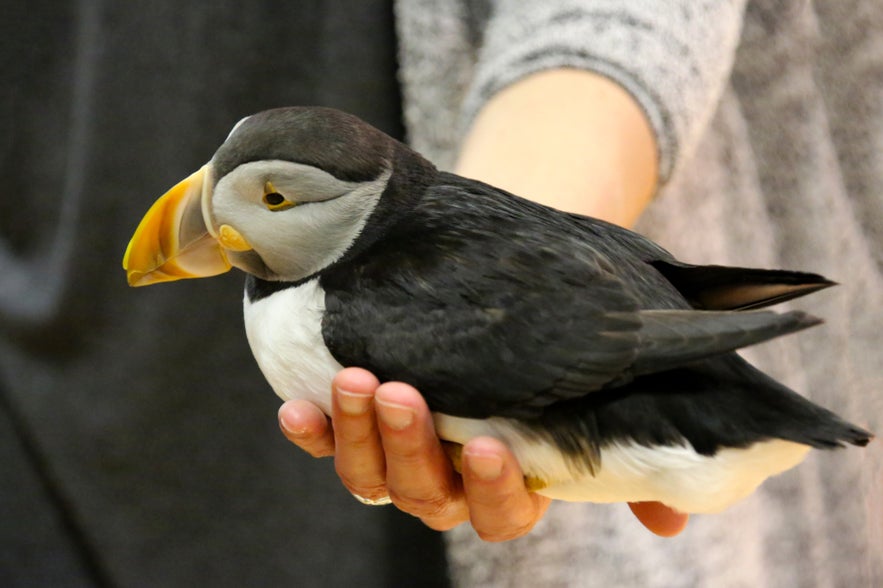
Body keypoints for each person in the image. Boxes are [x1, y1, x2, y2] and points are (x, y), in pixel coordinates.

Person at [281, 1, 883, 586]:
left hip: (608, 435)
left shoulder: (351, 303)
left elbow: (621, 19)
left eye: (274, 198)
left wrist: (458, 291)